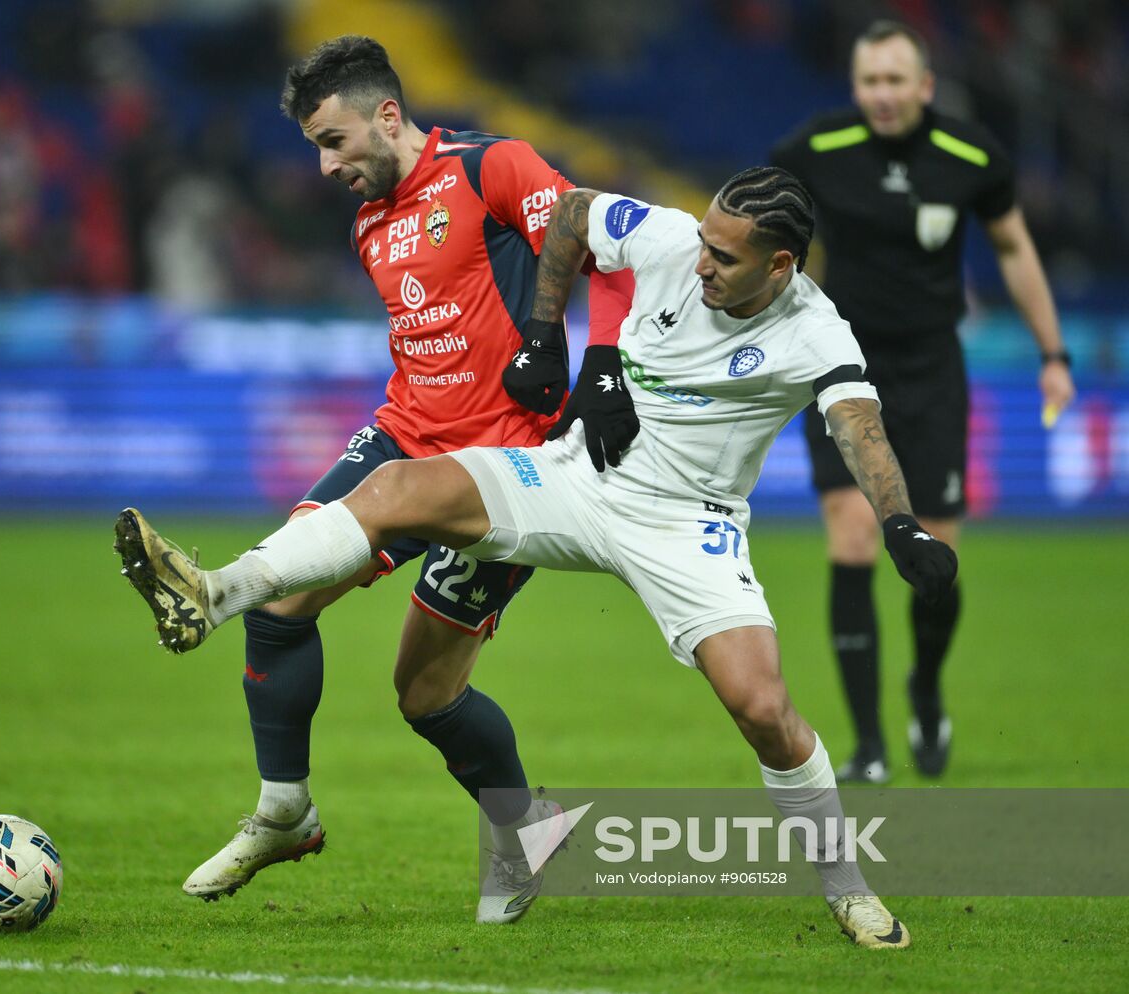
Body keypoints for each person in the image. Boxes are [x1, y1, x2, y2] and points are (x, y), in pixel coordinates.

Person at [113, 166, 958, 949]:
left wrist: (900, 525)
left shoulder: (815, 329)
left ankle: (846, 885)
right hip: (573, 474)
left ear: (780, 268)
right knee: (401, 492)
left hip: (687, 524)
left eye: (724, 257)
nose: (700, 263)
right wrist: (552, 335)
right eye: (702, 242)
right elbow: (575, 213)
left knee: (763, 708)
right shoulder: (669, 241)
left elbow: (860, 429)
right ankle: (219, 590)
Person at [117, 35, 633, 924]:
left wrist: (601, 364)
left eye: (334, 140)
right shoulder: (369, 223)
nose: (324, 166)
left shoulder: (492, 168)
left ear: (387, 115)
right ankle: (284, 809)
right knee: (283, 609)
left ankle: (526, 830)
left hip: (503, 472)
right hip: (402, 436)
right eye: (315, 147)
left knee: (424, 694)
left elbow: (607, 243)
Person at [770, 20, 1076, 783]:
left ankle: (926, 690)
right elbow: (756, 224)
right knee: (851, 539)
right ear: (855, 86)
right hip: (841, 367)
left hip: (934, 370)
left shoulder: (972, 156)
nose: (881, 95)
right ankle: (869, 745)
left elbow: (1013, 248)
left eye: (895, 81)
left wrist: (1054, 354)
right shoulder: (817, 148)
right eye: (869, 81)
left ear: (925, 86)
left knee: (935, 557)